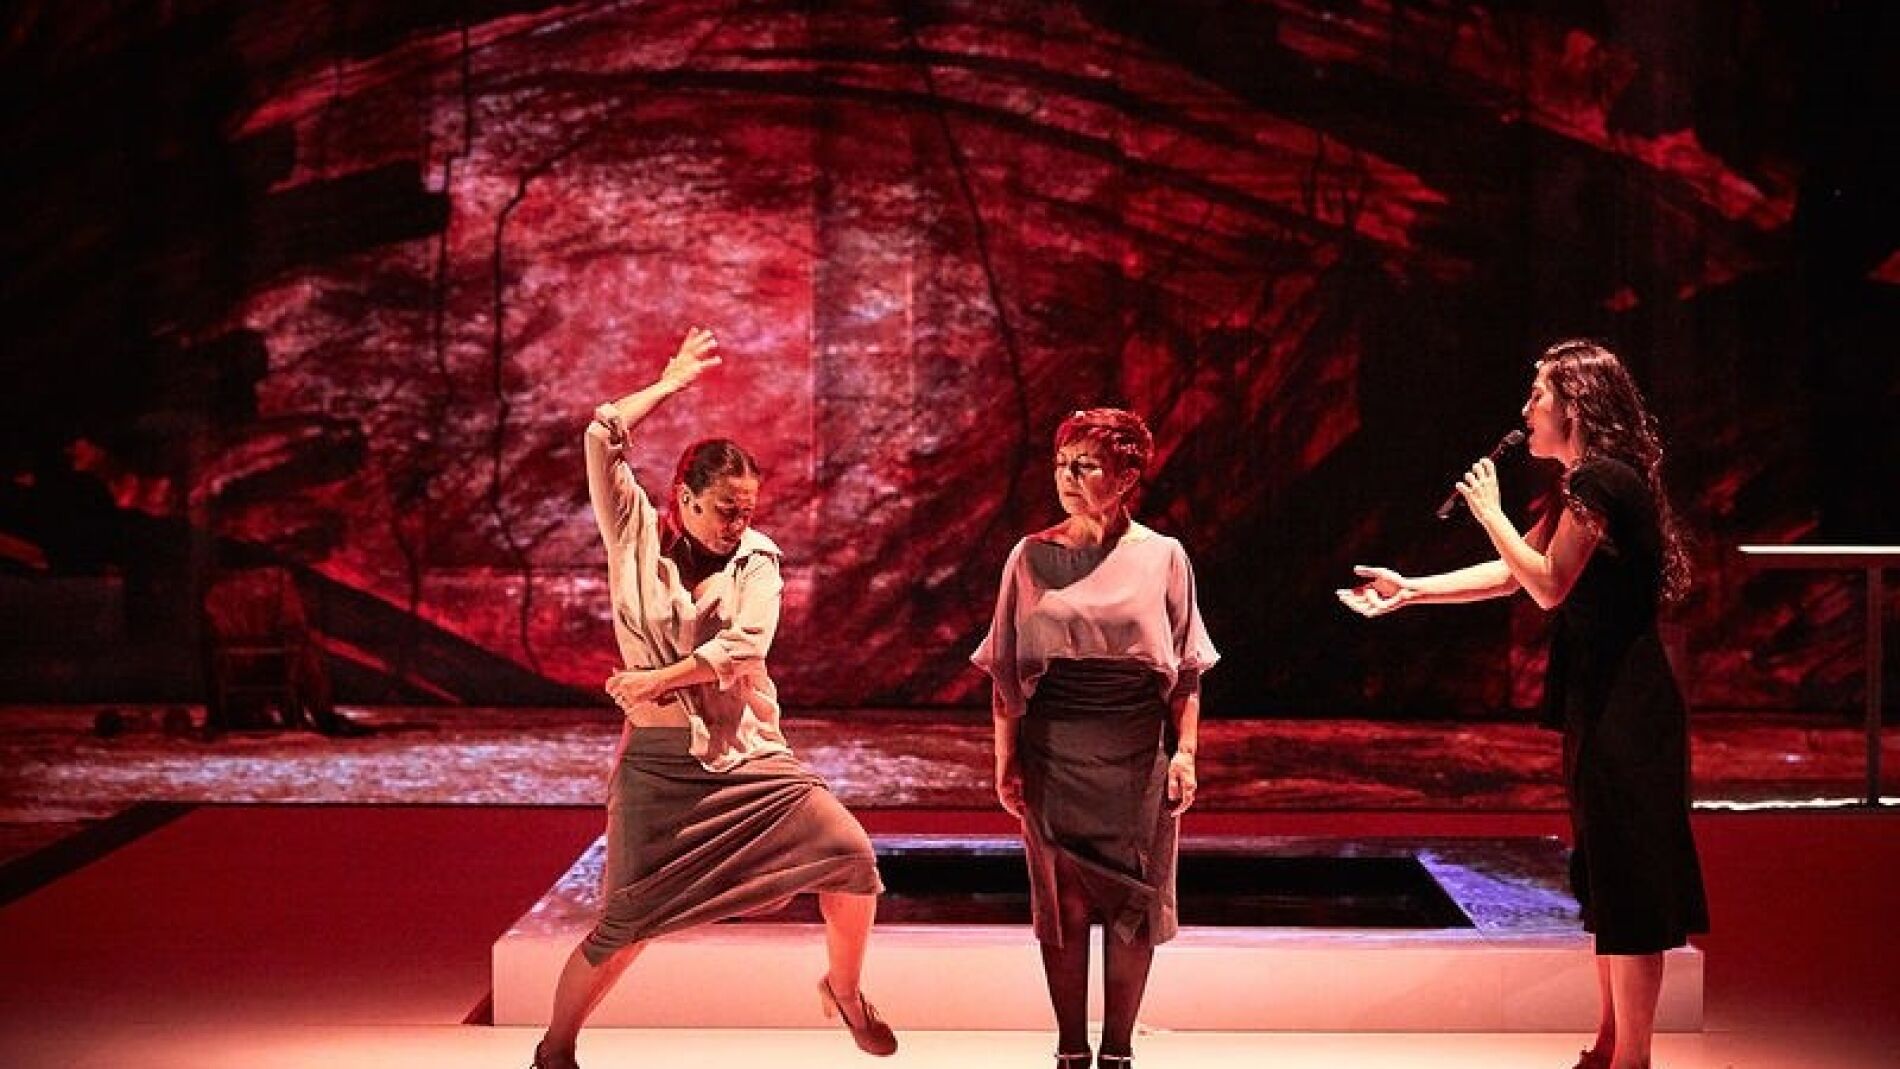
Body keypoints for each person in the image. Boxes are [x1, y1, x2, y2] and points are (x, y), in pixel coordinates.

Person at [1337, 339, 1707, 1069]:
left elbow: (1547, 585)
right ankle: (1610, 1046)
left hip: (1628, 710)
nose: (1526, 409)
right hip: (1598, 701)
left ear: (1576, 405)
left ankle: (1632, 1059)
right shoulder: (1582, 484)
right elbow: (1513, 574)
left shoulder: (1602, 480)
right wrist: (1412, 589)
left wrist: (1490, 512)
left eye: (1538, 395)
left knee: (1631, 881)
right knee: (1606, 877)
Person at [533, 327, 896, 1069]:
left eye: (748, 510)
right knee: (625, 922)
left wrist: (654, 680)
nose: (738, 524)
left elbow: (743, 647)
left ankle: (845, 990)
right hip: (659, 761)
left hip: (746, 753)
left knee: (850, 855)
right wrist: (670, 384)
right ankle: (555, 1051)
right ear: (684, 499)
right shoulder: (632, 533)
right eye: (725, 510)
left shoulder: (758, 559)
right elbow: (602, 435)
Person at [973, 408, 1218, 1069]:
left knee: (1133, 900)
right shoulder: (1030, 556)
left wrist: (1186, 753)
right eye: (1062, 463)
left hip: (1138, 747)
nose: (1068, 477)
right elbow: (1005, 669)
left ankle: (1117, 1053)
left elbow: (1187, 669)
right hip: (1054, 744)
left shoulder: (1164, 556)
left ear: (1127, 475)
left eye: (1086, 465)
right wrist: (1005, 761)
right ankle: (1070, 1051)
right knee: (1064, 901)